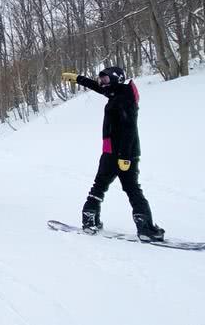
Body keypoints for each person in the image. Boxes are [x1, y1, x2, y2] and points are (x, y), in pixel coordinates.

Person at [62, 67, 165, 241]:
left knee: (130, 189)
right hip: (110, 152)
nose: (102, 83)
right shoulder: (116, 94)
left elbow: (129, 129)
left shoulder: (125, 98)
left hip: (124, 154)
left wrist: (124, 156)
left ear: (117, 79)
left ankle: (144, 228)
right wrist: (79, 79)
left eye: (106, 80)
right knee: (102, 186)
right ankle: (90, 222)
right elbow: (98, 88)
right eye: (101, 79)